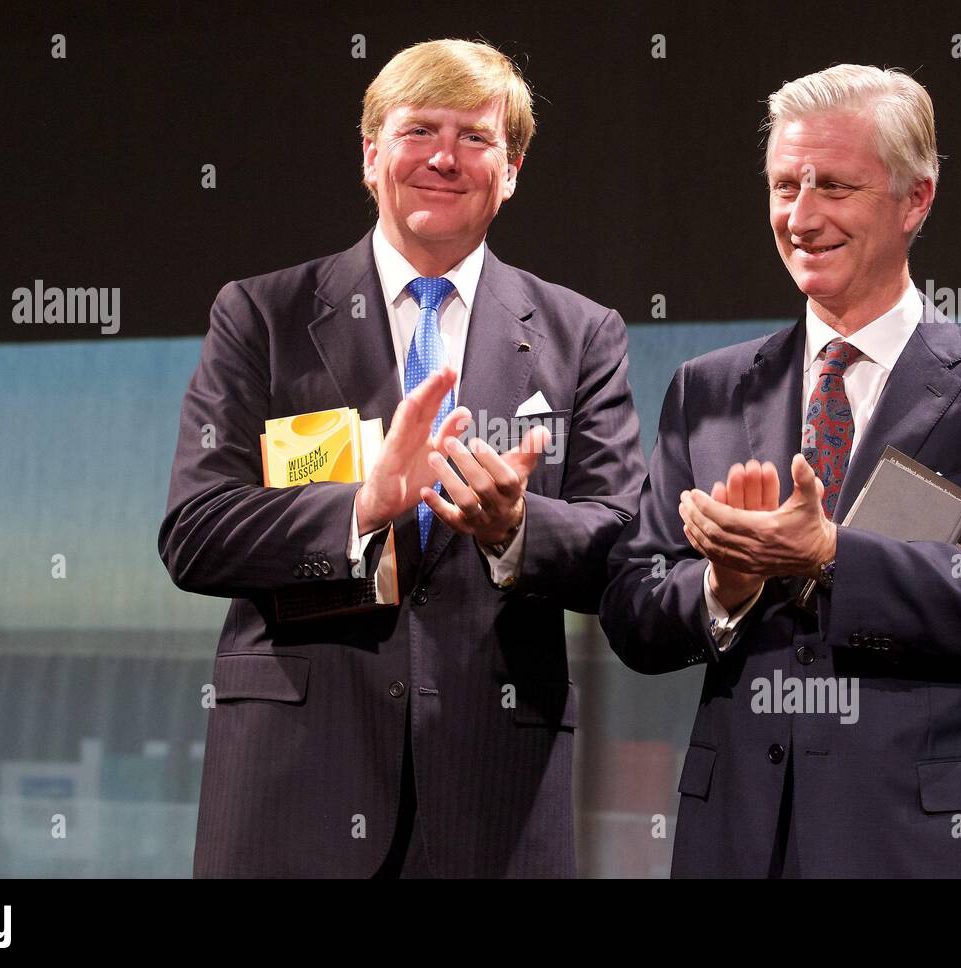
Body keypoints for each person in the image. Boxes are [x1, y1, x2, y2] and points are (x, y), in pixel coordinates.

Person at [159, 38, 645, 877]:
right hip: (293, 791)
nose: (445, 158)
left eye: (476, 137)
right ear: (370, 154)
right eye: (419, 130)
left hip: (496, 798)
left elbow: (623, 545)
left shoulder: (581, 335)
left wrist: (516, 531)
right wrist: (357, 507)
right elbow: (196, 533)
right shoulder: (262, 317)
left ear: (514, 168)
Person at [600, 64, 961, 877]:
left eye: (835, 186)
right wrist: (723, 587)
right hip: (738, 845)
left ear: (916, 199)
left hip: (924, 846)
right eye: (784, 185)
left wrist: (831, 556)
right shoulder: (709, 390)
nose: (801, 216)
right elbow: (632, 606)